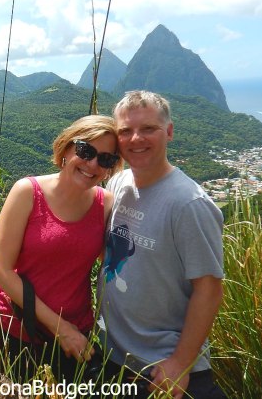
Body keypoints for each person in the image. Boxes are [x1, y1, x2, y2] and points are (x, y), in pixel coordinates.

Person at [97, 90, 227, 399]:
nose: (136, 138)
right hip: (113, 355)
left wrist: (180, 363)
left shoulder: (188, 204)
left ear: (168, 131)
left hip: (162, 366)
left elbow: (208, 290)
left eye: (149, 129)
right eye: (125, 131)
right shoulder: (119, 182)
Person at [0, 115, 123, 383]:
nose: (93, 164)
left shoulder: (105, 204)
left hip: (77, 328)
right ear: (66, 148)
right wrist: (60, 328)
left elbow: (113, 265)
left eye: (106, 159)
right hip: (18, 326)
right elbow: (0, 270)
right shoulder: (27, 192)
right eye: (86, 151)